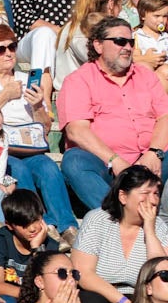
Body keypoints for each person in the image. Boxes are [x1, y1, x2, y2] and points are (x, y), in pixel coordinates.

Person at [0, 25, 76, 237]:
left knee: (48, 167)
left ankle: (68, 227)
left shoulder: (27, 79)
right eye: (0, 50)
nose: (8, 53)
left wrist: (38, 106)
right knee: (17, 171)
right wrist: (6, 94)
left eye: (12, 47)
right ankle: (38, 225)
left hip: (27, 146)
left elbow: (46, 128)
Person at [55, 15, 168, 214]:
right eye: (119, 41)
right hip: (107, 166)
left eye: (131, 42)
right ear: (98, 45)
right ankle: (119, 219)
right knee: (73, 161)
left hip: (153, 161)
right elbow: (76, 131)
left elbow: (165, 117)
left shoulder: (146, 76)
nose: (127, 47)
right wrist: (114, 160)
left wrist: (154, 152)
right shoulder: (79, 80)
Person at [70, 164, 168, 303]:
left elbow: (160, 272)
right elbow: (83, 273)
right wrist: (122, 301)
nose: (153, 200)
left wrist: (149, 230)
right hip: (100, 294)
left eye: (156, 194)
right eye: (145, 194)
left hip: (142, 298)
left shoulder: (158, 226)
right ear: (123, 196)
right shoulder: (98, 220)